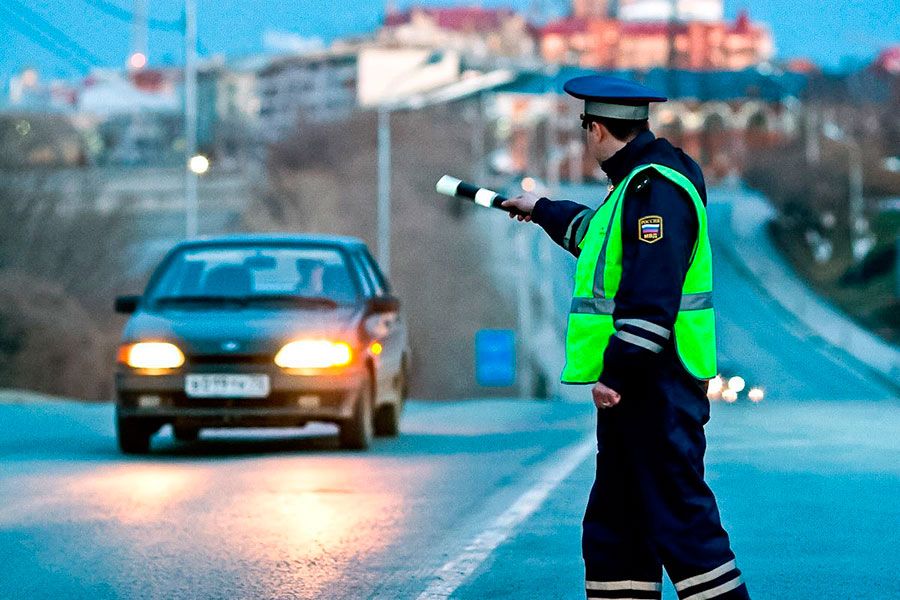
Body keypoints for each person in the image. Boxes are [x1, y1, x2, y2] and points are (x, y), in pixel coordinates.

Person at [502, 75, 750, 600]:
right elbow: (600, 241)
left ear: (595, 129)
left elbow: (650, 293)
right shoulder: (640, 183)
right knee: (617, 527)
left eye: (584, 127)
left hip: (654, 386)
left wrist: (616, 375)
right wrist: (542, 207)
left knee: (683, 525)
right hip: (645, 388)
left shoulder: (654, 187)